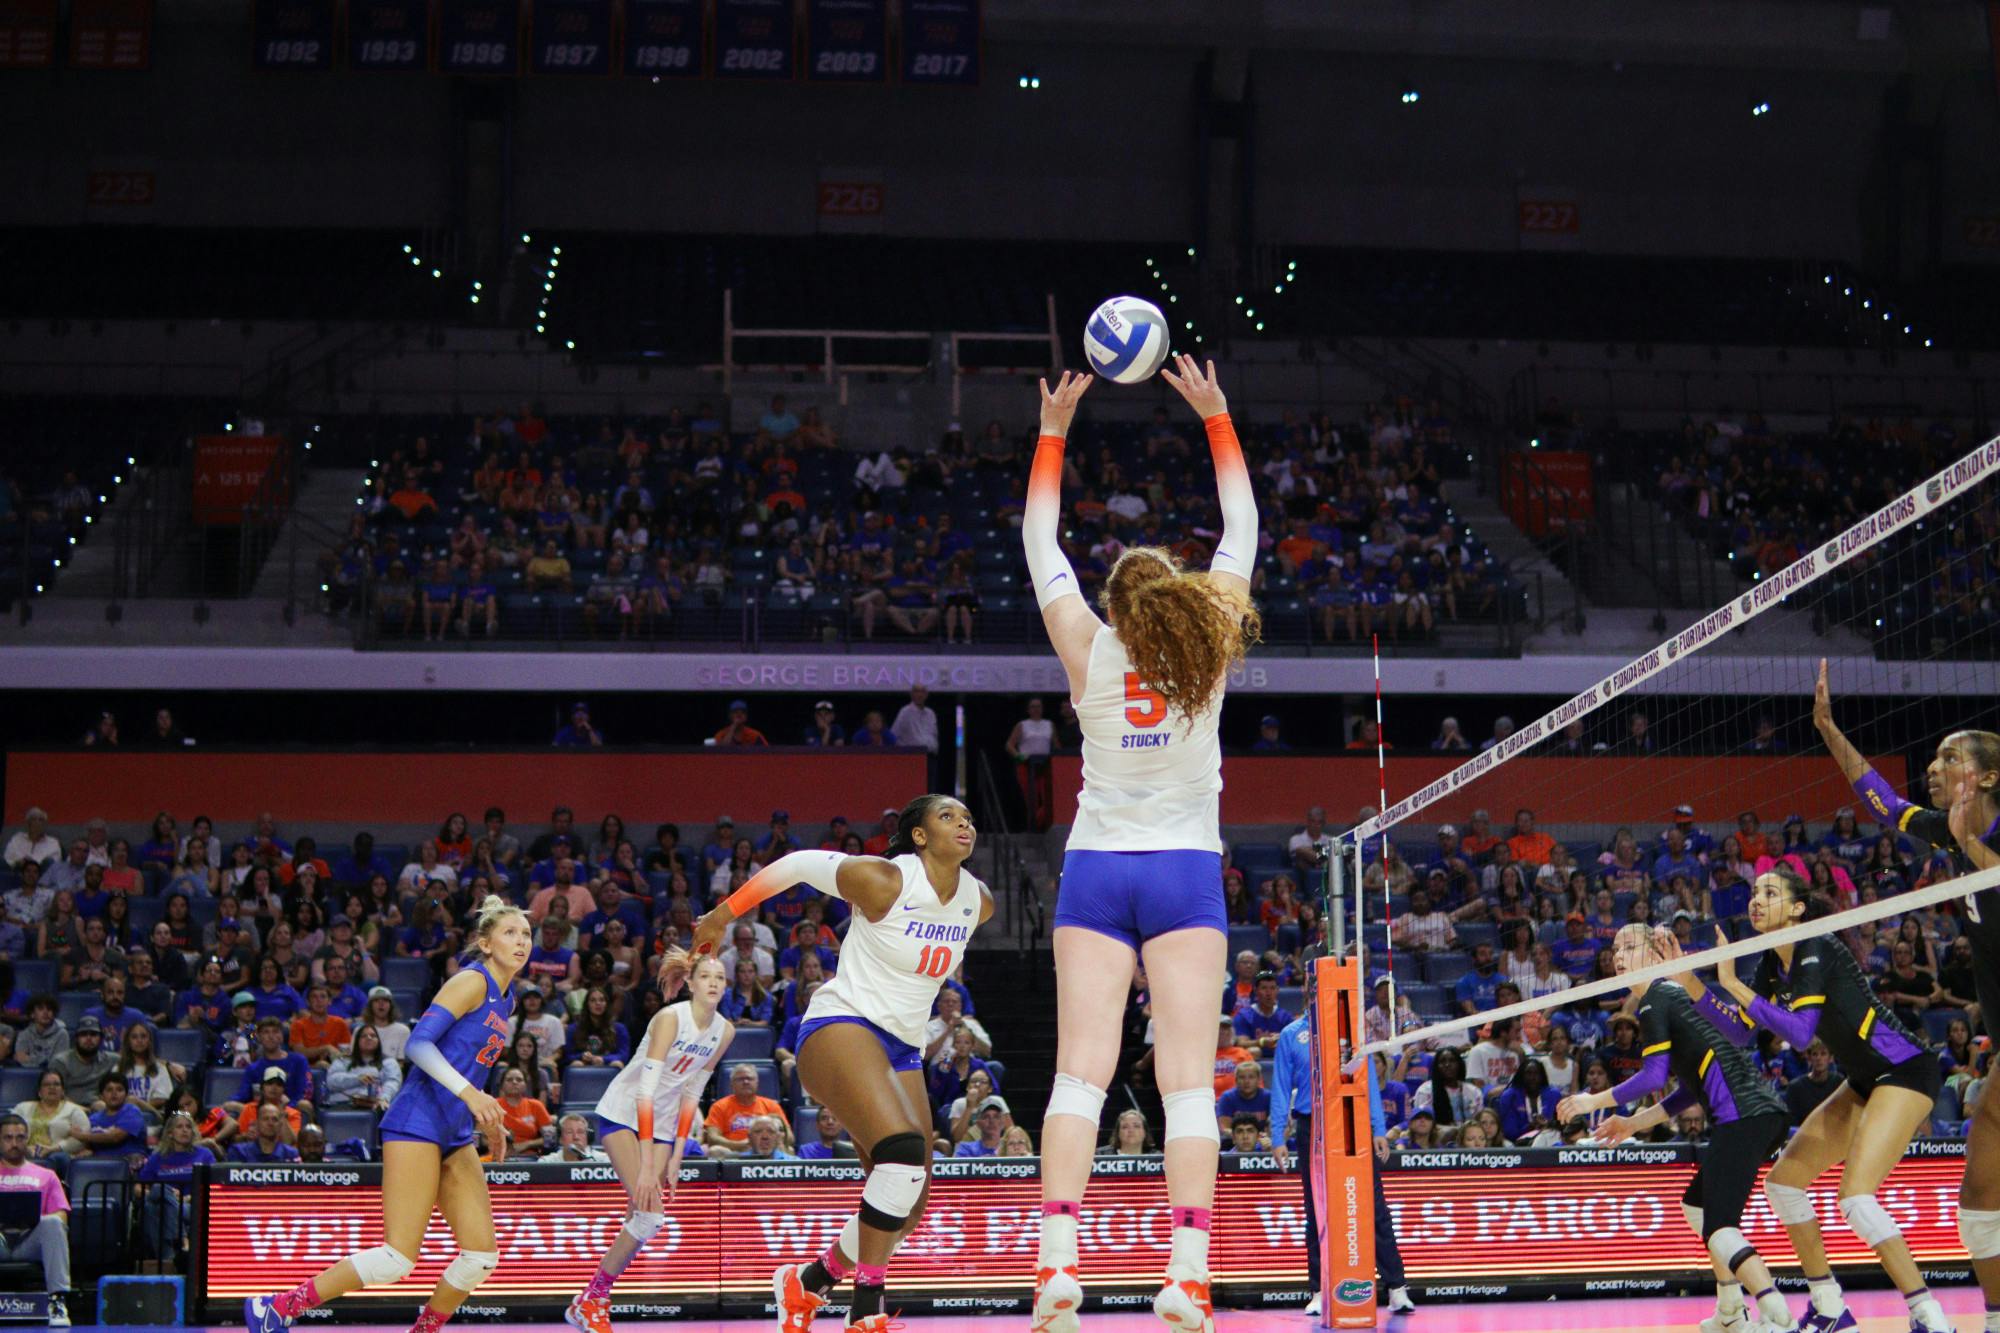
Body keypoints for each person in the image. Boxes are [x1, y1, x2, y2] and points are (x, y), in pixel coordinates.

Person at [1022, 358, 1259, 1333]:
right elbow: (1241, 527)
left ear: (1116, 604)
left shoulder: (1088, 646)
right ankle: (1186, 1274)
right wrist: (1215, 415)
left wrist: (1052, 432)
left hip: (1096, 869)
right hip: (1182, 874)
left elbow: (1040, 538)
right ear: (1174, 595)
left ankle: (1056, 1263)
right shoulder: (1207, 642)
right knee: (1186, 1082)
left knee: (1079, 1071)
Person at [690, 794, 992, 1333]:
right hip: (841, 1026)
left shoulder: (979, 900)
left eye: (967, 817)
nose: (963, 823)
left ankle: (808, 1282)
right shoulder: (885, 879)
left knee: (909, 1200)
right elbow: (797, 864)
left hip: (901, 1047)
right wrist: (721, 915)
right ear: (919, 836)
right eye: (947, 816)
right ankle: (866, 1306)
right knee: (903, 1152)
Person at [1814, 659, 2000, 1329]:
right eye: (1935, 757)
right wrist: (1829, 729)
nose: (1934, 765)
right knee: (1978, 1197)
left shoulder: (1982, 834)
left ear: (1987, 778)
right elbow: (1885, 805)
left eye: (1951, 758)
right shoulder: (1951, 831)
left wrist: (1971, 843)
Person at [247, 897, 530, 1333]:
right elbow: (418, 1045)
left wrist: (487, 1118)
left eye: (526, 934)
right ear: (486, 943)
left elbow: (467, 1064)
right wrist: (472, 1095)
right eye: (510, 933)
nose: (521, 941)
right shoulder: (473, 981)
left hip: (455, 1129)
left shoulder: (507, 1001)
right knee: (397, 1258)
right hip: (417, 1120)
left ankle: (424, 1330)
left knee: (481, 1256)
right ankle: (279, 1307)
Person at [1688, 865, 1945, 1331]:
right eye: (1755, 892)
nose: (1756, 900)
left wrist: (1734, 984)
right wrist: (1693, 984)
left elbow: (1802, 1034)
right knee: (1784, 1184)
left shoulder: (1816, 946)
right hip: (1864, 1078)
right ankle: (1830, 1307)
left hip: (1906, 1068)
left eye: (1770, 892)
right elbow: (1742, 1033)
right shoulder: (1772, 961)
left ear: (1798, 908)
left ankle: (1930, 1316)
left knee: (1856, 1197)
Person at [1557, 925, 1797, 1333]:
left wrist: (1591, 1101)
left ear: (1656, 955)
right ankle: (1729, 1311)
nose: (1618, 955)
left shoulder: (1657, 996)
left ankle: (1779, 1317)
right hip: (1759, 1115)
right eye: (1615, 948)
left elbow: (1653, 1077)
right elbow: (1687, 1091)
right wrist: (1632, 1122)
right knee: (1696, 1207)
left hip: (1744, 1116)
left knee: (1720, 1228)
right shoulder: (1674, 997)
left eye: (1629, 947)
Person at [566, 952, 733, 1333]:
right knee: (650, 1216)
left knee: (639, 1216)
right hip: (625, 1112)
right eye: (705, 976)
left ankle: (589, 1302)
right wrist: (645, 1166)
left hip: (664, 1125)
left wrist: (677, 1154)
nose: (713, 982)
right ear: (690, 983)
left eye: (720, 977)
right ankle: (593, 1300)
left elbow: (693, 1092)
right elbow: (645, 1091)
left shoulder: (725, 1031)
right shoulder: (670, 1018)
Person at [1269, 1015, 1413, 1317]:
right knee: (1316, 1208)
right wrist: (1277, 1134)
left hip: (1352, 1119)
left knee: (1373, 1206)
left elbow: (1368, 1080)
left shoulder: (1352, 1031)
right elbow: (1280, 1085)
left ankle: (1396, 1288)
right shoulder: (1291, 1034)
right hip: (1312, 1124)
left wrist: (1378, 1128)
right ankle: (1320, 1291)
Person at [0, 1114, 70, 1327]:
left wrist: (33, 1218)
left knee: (54, 1224)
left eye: (20, 1137)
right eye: (8, 1138)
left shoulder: (47, 1175)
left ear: (27, 1139)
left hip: (30, 1240)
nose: (14, 1143)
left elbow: (62, 1215)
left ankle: (57, 1301)